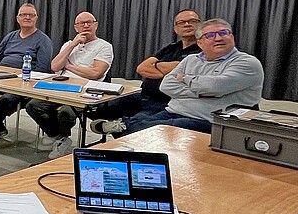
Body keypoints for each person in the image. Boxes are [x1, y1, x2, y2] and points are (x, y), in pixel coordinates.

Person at [92, 18, 263, 136]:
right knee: (136, 122)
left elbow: (214, 87)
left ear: (232, 37)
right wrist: (204, 90)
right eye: (210, 35)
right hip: (173, 110)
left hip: (210, 121)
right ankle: (122, 127)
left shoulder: (247, 63)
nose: (218, 38)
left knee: (150, 130)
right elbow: (166, 85)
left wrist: (187, 79)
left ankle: (122, 126)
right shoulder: (191, 59)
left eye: (223, 33)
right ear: (201, 42)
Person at [0, 3, 54, 159]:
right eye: (23, 15)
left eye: (31, 15)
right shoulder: (10, 37)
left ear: (36, 18)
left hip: (23, 83)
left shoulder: (43, 40)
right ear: (17, 18)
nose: (27, 17)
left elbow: (42, 70)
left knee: (5, 101)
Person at [89, 9, 203, 129]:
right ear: (175, 28)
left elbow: (187, 71)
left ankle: (122, 127)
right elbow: (142, 68)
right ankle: (118, 126)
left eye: (192, 21)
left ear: (200, 25)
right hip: (142, 95)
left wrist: (157, 65)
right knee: (99, 107)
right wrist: (171, 71)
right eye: (181, 22)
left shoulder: (203, 51)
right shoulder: (170, 47)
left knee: (140, 124)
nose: (187, 24)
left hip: (165, 101)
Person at [25, 11, 114, 159]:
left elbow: (95, 73)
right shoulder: (69, 44)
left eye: (89, 22)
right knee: (33, 106)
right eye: (81, 23)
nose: (86, 26)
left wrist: (69, 66)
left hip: (85, 90)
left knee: (66, 112)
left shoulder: (104, 46)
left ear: (96, 25)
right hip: (61, 86)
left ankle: (61, 138)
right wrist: (73, 44)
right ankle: (59, 136)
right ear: (76, 27)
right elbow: (54, 66)